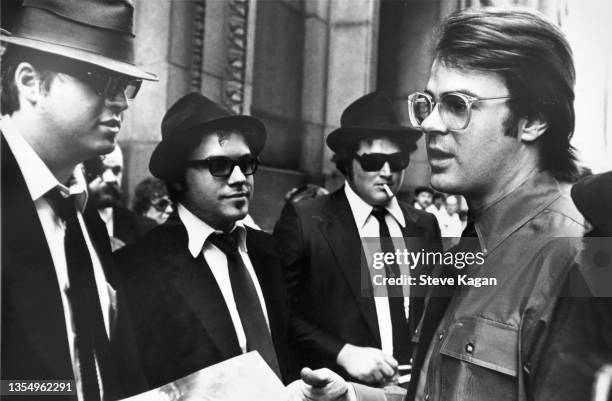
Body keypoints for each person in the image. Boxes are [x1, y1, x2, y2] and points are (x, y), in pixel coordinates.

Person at [289, 7, 609, 401]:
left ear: (532, 120)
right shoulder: (467, 246)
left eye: (458, 105)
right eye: (429, 103)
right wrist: (353, 395)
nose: (430, 124)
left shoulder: (590, 254)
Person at [1, 0, 156, 400]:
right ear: (30, 81)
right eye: (103, 81)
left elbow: (111, 369)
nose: (122, 102)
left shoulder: (80, 213)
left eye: (128, 86)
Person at [114, 92, 293, 389]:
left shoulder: (270, 252)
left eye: (247, 163)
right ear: (178, 176)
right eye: (219, 166)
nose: (240, 178)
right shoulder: (137, 267)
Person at [274, 92, 441, 387]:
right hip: (341, 391)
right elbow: (281, 315)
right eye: (374, 161)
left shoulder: (423, 225)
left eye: (397, 161)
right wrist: (343, 352)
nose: (387, 173)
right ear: (348, 162)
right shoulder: (304, 220)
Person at [83, 145, 156, 250]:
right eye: (99, 171)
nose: (111, 179)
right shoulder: (65, 224)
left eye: (116, 171)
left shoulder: (147, 230)